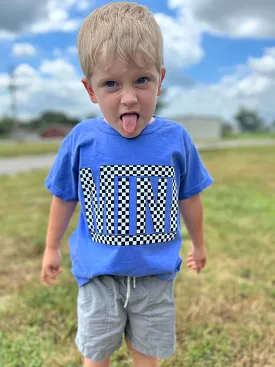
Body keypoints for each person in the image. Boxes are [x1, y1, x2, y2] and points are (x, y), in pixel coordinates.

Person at [41, 2, 213, 367]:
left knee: (146, 357)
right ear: (90, 90)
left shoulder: (175, 139)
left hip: (154, 278)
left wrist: (198, 244)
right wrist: (51, 248)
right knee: (96, 355)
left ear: (160, 80)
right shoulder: (82, 139)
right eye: (111, 84)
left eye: (141, 80)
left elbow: (190, 197)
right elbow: (64, 196)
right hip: (99, 276)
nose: (129, 97)